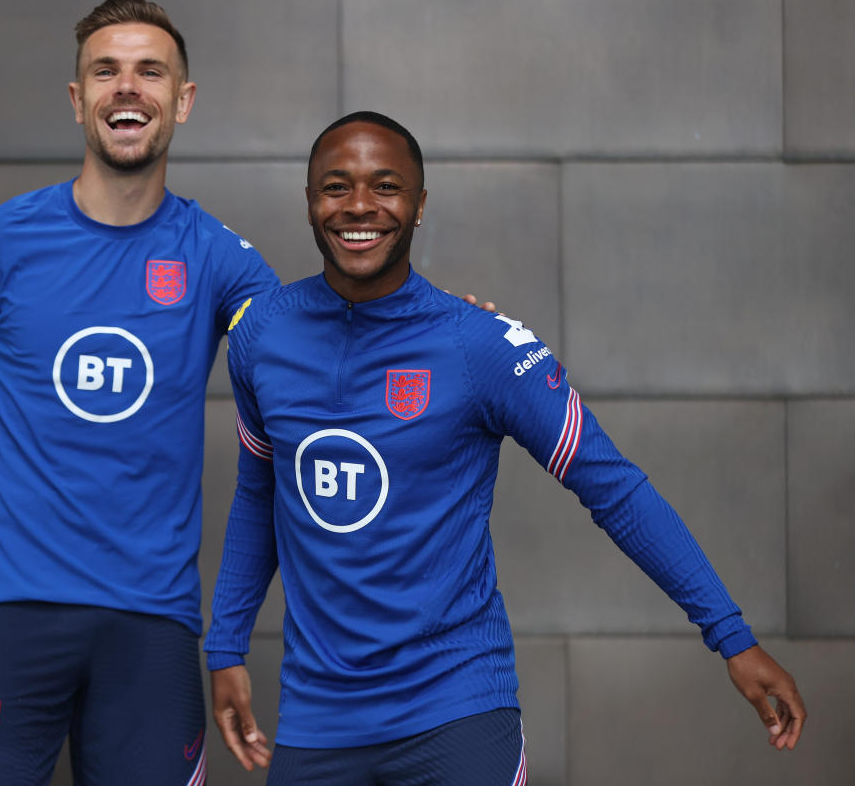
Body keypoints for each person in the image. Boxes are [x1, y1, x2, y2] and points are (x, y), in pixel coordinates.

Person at [204, 111, 806, 785]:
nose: (360, 207)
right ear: (310, 200)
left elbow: (615, 487)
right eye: (336, 187)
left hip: (456, 712)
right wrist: (226, 642)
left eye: (386, 186)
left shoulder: (481, 346)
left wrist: (731, 635)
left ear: (420, 204)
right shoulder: (261, 338)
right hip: (318, 720)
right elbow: (260, 494)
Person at [0, 0, 279, 785]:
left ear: (183, 100)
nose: (127, 87)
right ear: (78, 100)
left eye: (149, 72)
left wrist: (449, 327)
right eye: (106, 71)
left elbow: (323, 351)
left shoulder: (220, 260)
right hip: (7, 616)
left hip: (153, 628)